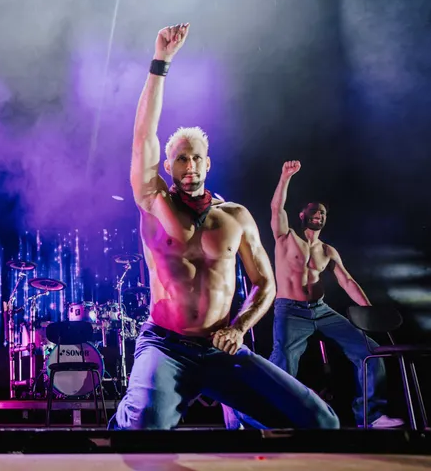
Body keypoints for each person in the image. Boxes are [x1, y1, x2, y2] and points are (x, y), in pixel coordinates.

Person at [110, 23, 339, 430]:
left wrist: (239, 328)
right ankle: (129, 420)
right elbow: (142, 134)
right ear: (168, 165)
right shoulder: (154, 201)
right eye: (181, 158)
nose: (190, 165)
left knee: (320, 422)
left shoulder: (235, 217)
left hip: (221, 347)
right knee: (141, 431)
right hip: (165, 346)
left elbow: (265, 285)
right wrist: (160, 63)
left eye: (196, 157)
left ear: (208, 163)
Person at [268, 160, 403, 428]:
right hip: (290, 310)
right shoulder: (286, 237)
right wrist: (285, 177)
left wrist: (370, 311)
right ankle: (276, 416)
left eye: (323, 213)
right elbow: (276, 207)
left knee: (371, 352)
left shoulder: (328, 251)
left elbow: (347, 281)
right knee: (283, 361)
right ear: (302, 215)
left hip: (321, 310)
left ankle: (371, 417)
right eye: (314, 211)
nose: (319, 215)